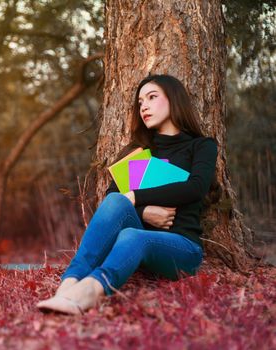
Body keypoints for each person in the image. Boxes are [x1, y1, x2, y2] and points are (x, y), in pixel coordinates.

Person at [36, 74, 218, 315]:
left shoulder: (201, 146)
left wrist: (136, 198)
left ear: (174, 100)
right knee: (117, 203)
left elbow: (196, 188)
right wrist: (144, 211)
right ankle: (69, 285)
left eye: (152, 97)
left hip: (182, 247)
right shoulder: (137, 152)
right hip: (138, 242)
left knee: (133, 234)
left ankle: (91, 291)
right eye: (140, 101)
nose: (144, 106)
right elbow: (114, 202)